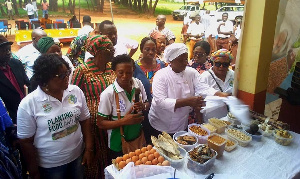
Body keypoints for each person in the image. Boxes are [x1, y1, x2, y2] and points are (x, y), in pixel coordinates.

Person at [17, 54, 93, 179]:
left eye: (67, 72)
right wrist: (34, 171)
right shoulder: (29, 104)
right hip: (51, 166)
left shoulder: (75, 91)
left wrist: (89, 148)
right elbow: (25, 141)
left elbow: (85, 119)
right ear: (45, 79)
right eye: (61, 76)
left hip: (77, 156)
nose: (67, 77)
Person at [148, 43, 229, 135]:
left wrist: (221, 95)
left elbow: (203, 88)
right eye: (181, 60)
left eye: (186, 59)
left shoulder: (191, 73)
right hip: (161, 122)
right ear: (171, 60)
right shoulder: (161, 75)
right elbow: (160, 101)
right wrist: (187, 102)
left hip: (181, 122)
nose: (185, 62)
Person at [71, 35, 115, 179]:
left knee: (111, 152)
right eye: (108, 48)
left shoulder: (111, 67)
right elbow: (74, 97)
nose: (113, 49)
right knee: (96, 155)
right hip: (93, 124)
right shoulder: (82, 70)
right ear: (98, 52)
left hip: (112, 121)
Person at [97, 54, 150, 159]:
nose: (125, 76)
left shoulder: (138, 84)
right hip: (118, 144)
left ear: (133, 70)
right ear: (114, 72)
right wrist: (124, 121)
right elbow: (100, 123)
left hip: (138, 139)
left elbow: (147, 103)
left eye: (129, 72)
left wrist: (143, 106)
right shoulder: (108, 94)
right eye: (121, 72)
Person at [134, 37, 166, 144]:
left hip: (160, 108)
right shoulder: (135, 67)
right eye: (147, 49)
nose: (151, 52)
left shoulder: (161, 65)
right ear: (141, 50)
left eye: (153, 49)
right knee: (148, 138)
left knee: (160, 136)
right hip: (144, 109)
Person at [0, 35, 29, 124]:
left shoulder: (16, 63)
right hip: (10, 117)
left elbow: (27, 84)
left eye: (9, 49)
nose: (9, 53)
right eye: (5, 50)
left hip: (27, 111)